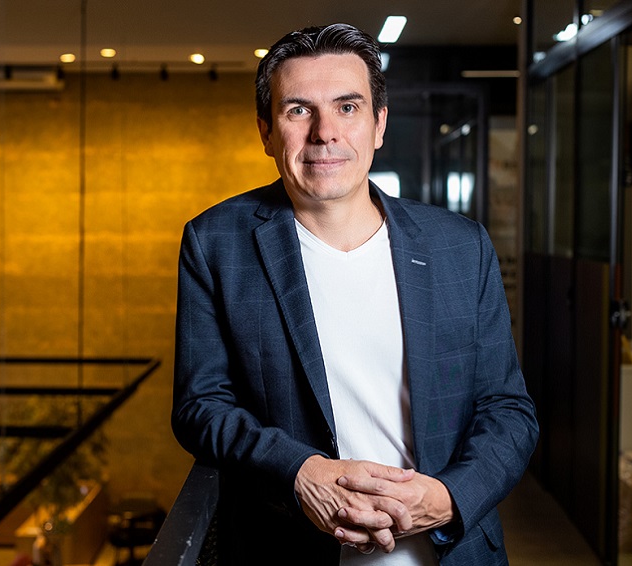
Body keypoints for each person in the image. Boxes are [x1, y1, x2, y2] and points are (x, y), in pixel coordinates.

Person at [172, 23, 538, 565]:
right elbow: (200, 405)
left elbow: (508, 410)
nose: (325, 133)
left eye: (347, 107)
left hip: (449, 550)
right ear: (266, 132)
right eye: (298, 110)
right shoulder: (216, 243)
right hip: (289, 549)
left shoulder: (460, 246)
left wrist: (446, 499)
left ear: (379, 124)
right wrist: (301, 471)